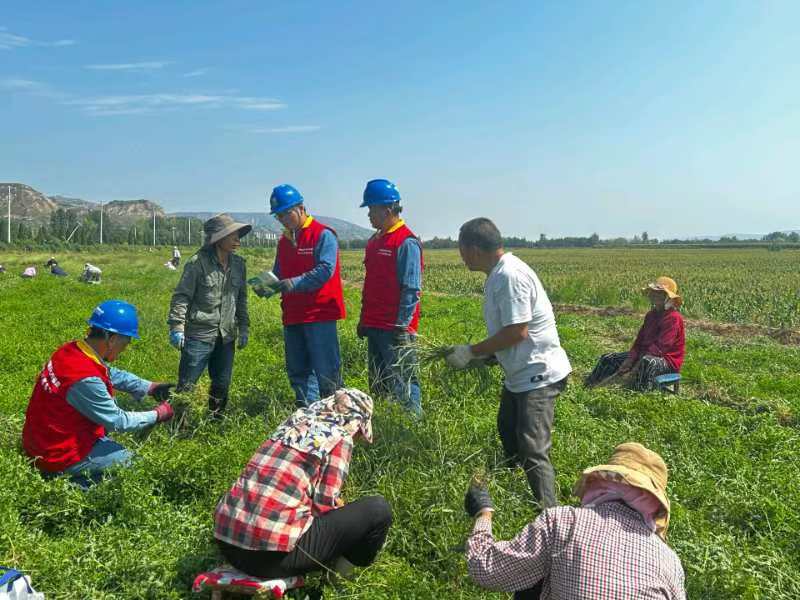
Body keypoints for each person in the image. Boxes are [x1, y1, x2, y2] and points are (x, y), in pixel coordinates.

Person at [446, 218, 571, 508]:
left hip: (538, 374)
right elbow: (510, 331)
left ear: (474, 249)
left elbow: (517, 332)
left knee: (532, 447)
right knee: (507, 428)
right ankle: (515, 491)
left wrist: (471, 351)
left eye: (462, 250)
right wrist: (484, 356)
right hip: (520, 373)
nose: (461, 256)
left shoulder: (509, 276)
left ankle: (549, 515)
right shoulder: (497, 274)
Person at [463, 442, 686, 599]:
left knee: (533, 577)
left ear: (600, 481)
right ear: (655, 506)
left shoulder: (563, 522)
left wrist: (484, 512)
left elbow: (485, 570)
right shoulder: (670, 561)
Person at [214, 389, 392, 579]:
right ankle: (340, 577)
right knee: (378, 510)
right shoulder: (340, 437)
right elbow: (323, 506)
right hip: (269, 560)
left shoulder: (294, 422)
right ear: (356, 424)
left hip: (227, 544)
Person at [21, 300, 175, 489]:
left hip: (39, 440)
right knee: (138, 467)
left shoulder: (72, 350)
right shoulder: (85, 379)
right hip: (56, 453)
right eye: (125, 343)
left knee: (107, 409)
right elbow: (118, 421)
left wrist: (149, 387)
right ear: (112, 339)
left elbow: (109, 373)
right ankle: (71, 483)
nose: (124, 349)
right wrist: (158, 414)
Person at [264, 184, 345, 407]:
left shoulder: (323, 235)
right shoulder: (284, 241)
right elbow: (279, 271)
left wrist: (294, 282)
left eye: (286, 213)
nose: (283, 219)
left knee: (327, 370)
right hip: (293, 314)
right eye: (278, 216)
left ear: (301, 208)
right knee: (299, 371)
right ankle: (306, 415)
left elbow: (325, 270)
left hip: (319, 314)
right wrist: (266, 284)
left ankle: (334, 417)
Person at [168, 214, 251, 416]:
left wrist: (244, 327)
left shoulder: (239, 265)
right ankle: (178, 427)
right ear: (218, 239)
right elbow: (182, 296)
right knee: (187, 385)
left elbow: (241, 299)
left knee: (222, 384)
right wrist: (177, 327)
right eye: (232, 235)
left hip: (227, 335)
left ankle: (216, 421)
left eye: (238, 235)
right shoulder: (197, 263)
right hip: (199, 335)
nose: (237, 240)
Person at [357, 179, 424, 416]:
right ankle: (384, 427)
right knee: (378, 382)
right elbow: (371, 285)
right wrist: (363, 319)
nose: (369, 215)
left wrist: (402, 326)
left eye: (371, 209)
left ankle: (411, 431)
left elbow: (411, 288)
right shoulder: (374, 242)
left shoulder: (406, 242)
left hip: (395, 329)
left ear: (386, 209)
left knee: (404, 382)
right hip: (374, 325)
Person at [585, 277, 685, 391]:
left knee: (646, 362)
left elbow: (661, 348)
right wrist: (630, 359)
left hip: (666, 361)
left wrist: (635, 366)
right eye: (654, 293)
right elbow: (639, 341)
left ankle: (636, 393)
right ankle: (590, 386)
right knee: (609, 358)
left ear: (667, 298)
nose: (655, 296)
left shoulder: (673, 318)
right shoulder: (650, 315)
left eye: (660, 294)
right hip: (644, 354)